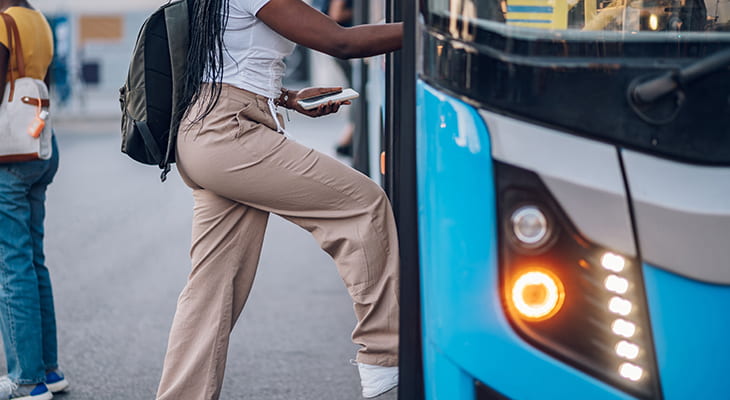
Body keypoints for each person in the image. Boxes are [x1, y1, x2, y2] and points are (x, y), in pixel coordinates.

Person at [155, 0, 402, 399]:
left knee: (211, 289)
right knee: (363, 203)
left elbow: (224, 67)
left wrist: (289, 97)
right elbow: (340, 42)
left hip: (212, 129)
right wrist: (430, 29)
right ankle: (383, 353)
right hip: (229, 133)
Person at [0, 1, 69, 399]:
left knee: (12, 264)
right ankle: (48, 369)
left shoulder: (4, 25)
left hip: (9, 155)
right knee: (31, 260)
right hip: (39, 145)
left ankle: (27, 381)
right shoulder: (38, 22)